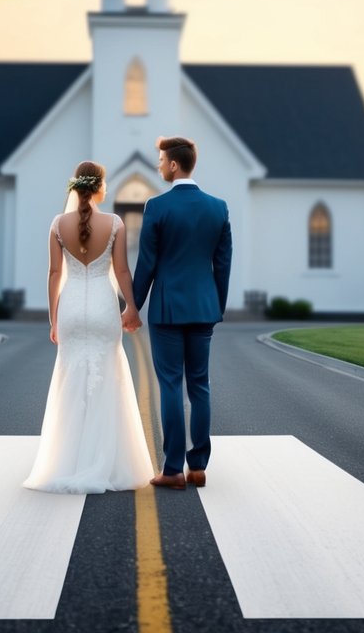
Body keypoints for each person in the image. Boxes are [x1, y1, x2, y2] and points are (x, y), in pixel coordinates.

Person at [23, 161, 154, 493]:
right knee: (107, 378)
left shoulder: (57, 224)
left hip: (70, 310)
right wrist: (132, 307)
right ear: (99, 188)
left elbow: (54, 274)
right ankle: (105, 462)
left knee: (71, 380)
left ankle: (66, 461)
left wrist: (54, 319)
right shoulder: (115, 224)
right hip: (101, 307)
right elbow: (123, 272)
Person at [131, 136, 232, 490]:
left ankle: (173, 469)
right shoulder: (218, 207)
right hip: (204, 307)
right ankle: (199, 466)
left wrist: (131, 307)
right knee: (200, 385)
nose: (158, 165)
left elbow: (146, 265)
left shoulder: (157, 207)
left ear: (174, 165)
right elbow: (223, 264)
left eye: (160, 160)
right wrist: (216, 305)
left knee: (171, 385)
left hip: (167, 309)